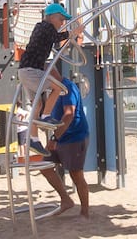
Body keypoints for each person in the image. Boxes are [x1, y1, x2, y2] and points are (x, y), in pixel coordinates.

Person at [17, 2, 81, 156]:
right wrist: (73, 33)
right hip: (31, 70)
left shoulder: (41, 28)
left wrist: (71, 34)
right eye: (61, 19)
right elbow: (57, 38)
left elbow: (54, 40)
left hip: (25, 71)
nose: (62, 23)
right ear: (52, 17)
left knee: (37, 105)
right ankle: (46, 116)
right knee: (57, 87)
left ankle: (33, 139)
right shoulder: (46, 27)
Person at [40, 75, 90, 218]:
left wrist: (55, 137)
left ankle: (85, 212)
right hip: (60, 136)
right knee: (44, 166)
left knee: (76, 174)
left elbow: (69, 114)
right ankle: (65, 199)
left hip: (74, 136)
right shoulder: (55, 89)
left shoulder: (67, 87)